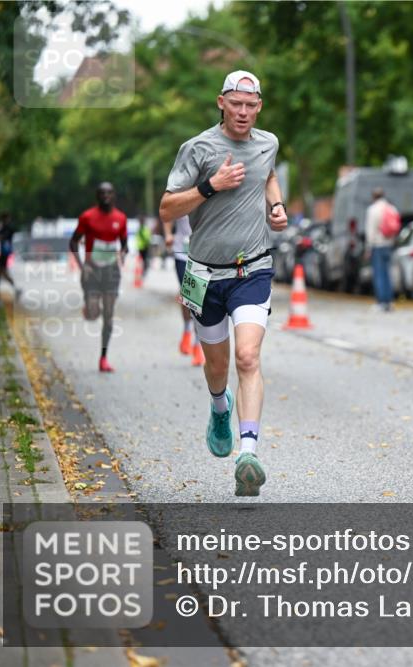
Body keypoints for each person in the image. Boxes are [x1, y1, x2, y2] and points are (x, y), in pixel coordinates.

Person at [158, 70, 286, 497]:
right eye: (236, 104)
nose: (243, 112)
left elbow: (267, 174)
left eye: (250, 105)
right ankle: (219, 407)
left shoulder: (268, 143)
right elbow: (167, 209)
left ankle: (247, 453)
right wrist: (210, 187)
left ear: (259, 107)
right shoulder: (198, 148)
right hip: (203, 274)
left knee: (247, 357)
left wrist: (277, 206)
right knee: (217, 367)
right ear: (221, 103)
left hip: (252, 269)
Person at [69, 184, 128, 372]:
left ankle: (103, 358)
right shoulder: (87, 217)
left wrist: (122, 255)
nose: (106, 196)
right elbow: (73, 242)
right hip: (92, 271)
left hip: (111, 271)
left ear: (114, 195)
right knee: (93, 315)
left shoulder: (121, 218)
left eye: (109, 192)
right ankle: (90, 307)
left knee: (109, 317)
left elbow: (125, 245)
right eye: (102, 193)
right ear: (97, 196)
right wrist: (82, 266)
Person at [162, 214, 204, 364]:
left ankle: (197, 344)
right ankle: (187, 330)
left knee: (198, 298)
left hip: (203, 253)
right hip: (182, 252)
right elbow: (168, 214)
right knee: (187, 294)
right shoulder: (181, 198)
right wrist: (168, 234)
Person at [364, 187, 395, 311]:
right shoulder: (391, 208)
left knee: (379, 274)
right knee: (387, 274)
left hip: (377, 245)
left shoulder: (373, 210)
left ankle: (381, 302)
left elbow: (370, 231)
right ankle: (389, 301)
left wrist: (368, 248)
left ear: (373, 197)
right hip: (389, 244)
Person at [0, 213, 20, 296]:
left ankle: (13, 288)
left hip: (5, 253)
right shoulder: (3, 228)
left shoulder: (8, 228)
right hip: (3, 252)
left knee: (1, 271)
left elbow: (1, 237)